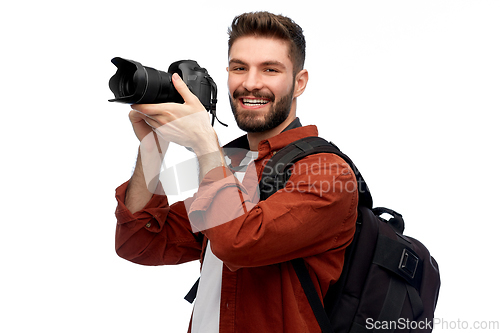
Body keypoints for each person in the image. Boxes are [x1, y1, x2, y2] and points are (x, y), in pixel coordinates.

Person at [114, 11, 358, 333]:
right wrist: (152, 149)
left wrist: (205, 144)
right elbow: (140, 241)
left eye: (270, 69)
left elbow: (237, 242)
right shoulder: (231, 164)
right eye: (239, 68)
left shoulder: (328, 174)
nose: (250, 83)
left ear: (299, 83)